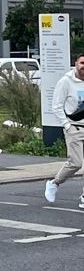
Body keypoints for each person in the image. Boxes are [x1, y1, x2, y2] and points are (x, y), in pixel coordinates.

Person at [45, 55, 84, 206]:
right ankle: (54, 183)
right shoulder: (66, 81)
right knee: (76, 163)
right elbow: (56, 105)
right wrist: (66, 125)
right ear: (76, 64)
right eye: (82, 63)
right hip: (74, 127)